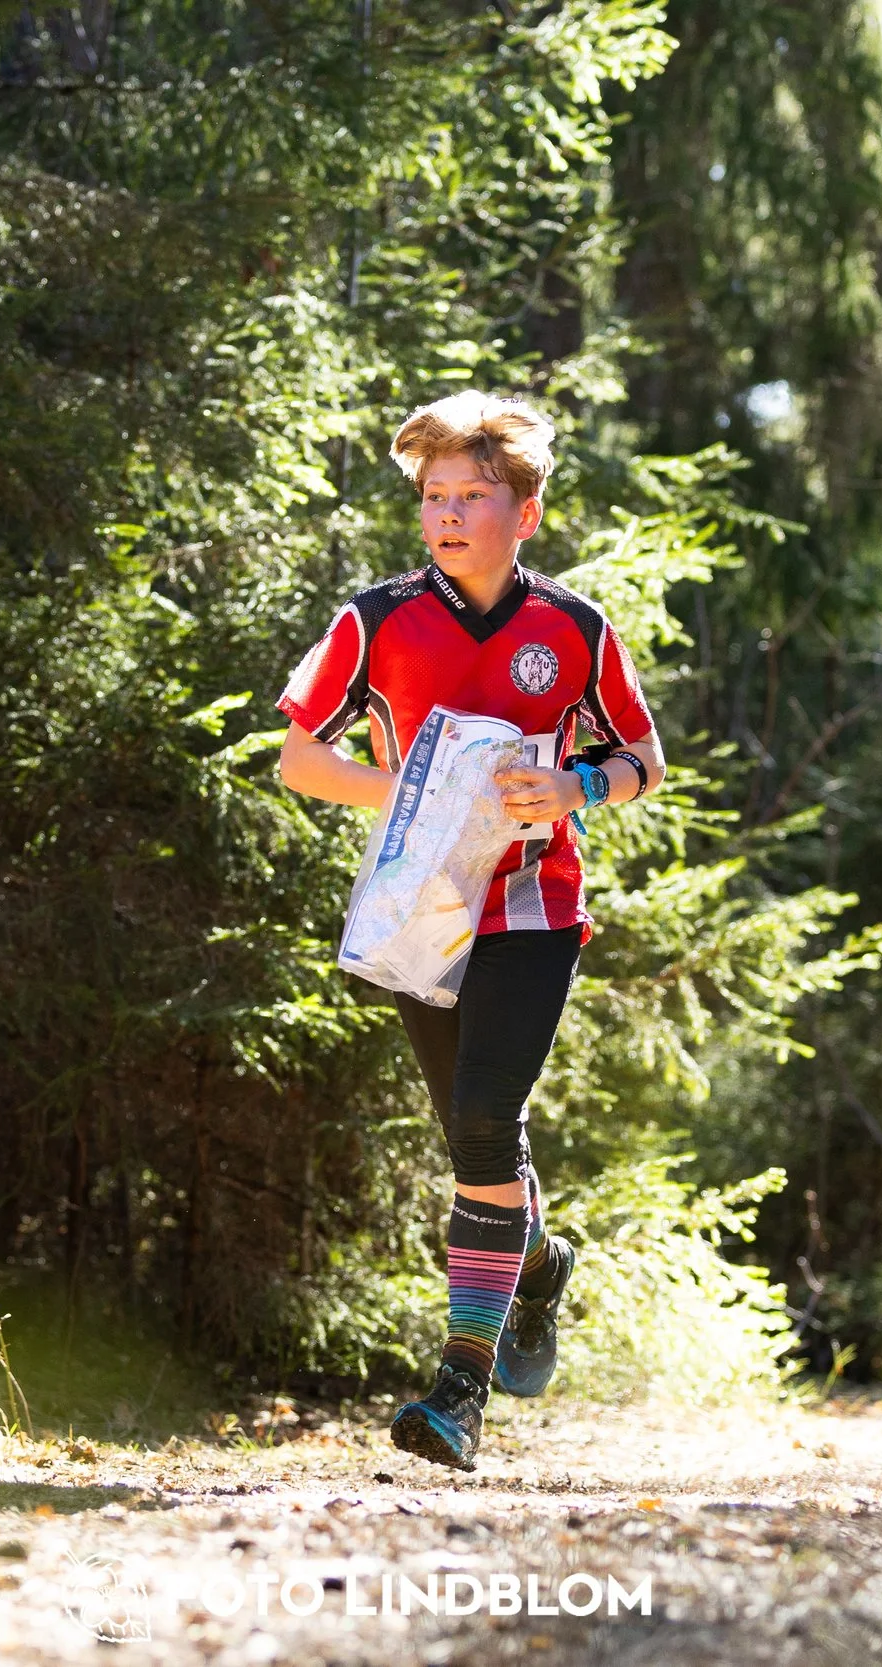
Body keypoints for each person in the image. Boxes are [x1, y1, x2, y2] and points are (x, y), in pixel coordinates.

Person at [274, 390, 666, 1471]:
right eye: (434, 496)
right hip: (424, 908)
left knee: (488, 1117)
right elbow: (300, 759)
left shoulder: (574, 628)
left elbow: (644, 757)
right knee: (471, 1138)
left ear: (523, 513)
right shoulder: (376, 619)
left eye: (472, 496)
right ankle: (535, 1261)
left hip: (535, 905)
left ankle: (458, 1390)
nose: (447, 515)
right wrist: (405, 786)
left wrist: (577, 784)